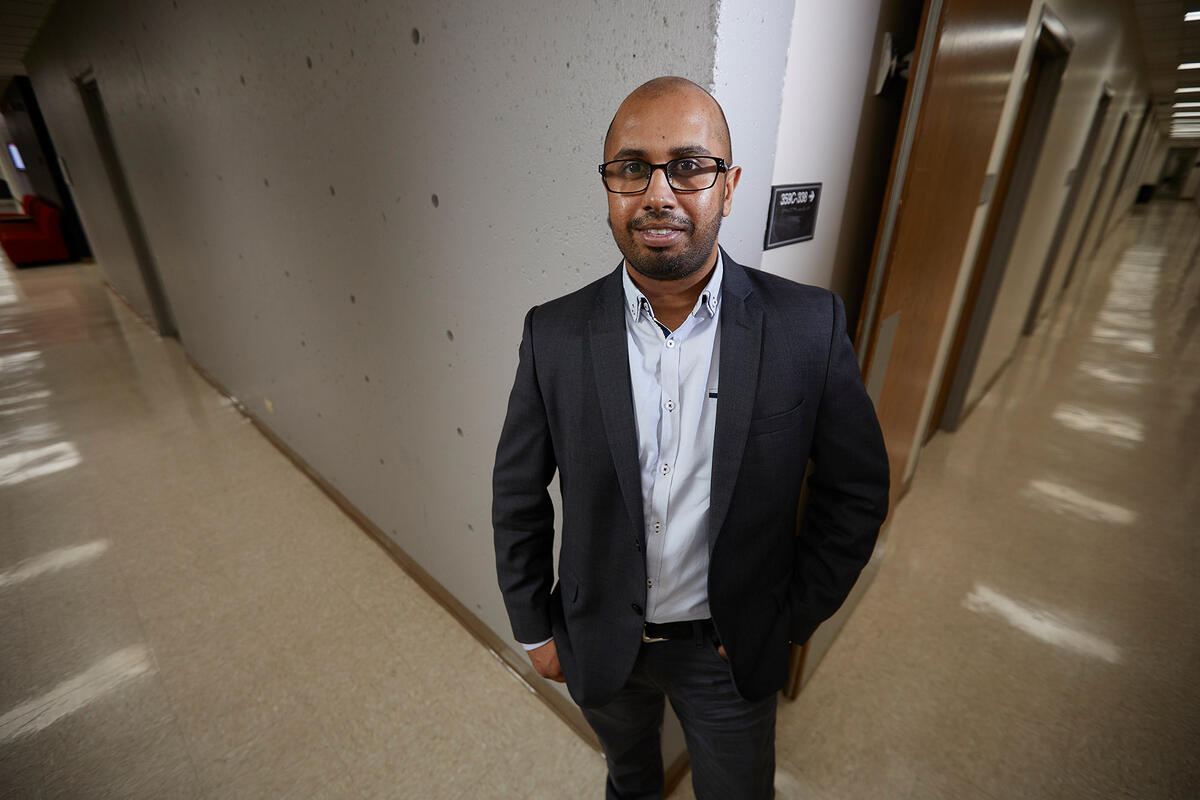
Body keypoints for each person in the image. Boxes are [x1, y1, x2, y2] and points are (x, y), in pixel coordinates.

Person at [493, 76, 890, 799]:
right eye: (632, 168)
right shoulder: (554, 333)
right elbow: (518, 493)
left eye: (688, 166)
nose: (658, 193)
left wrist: (789, 617)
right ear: (609, 187)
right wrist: (534, 627)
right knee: (628, 779)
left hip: (729, 648)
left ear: (728, 187)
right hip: (596, 638)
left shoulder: (807, 327)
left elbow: (856, 493)